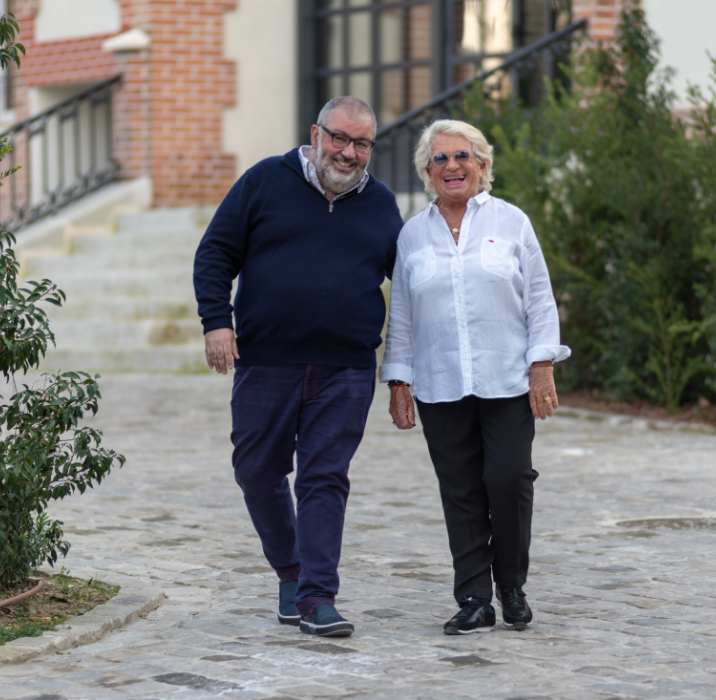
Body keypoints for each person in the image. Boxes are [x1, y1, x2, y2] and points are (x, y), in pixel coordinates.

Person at [193, 97, 402, 638]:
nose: (349, 152)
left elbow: (406, 288)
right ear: (316, 133)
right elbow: (215, 254)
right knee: (257, 471)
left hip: (346, 369)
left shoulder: (380, 204)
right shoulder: (265, 181)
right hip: (266, 360)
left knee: (323, 478)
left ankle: (316, 596)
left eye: (361, 144)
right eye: (340, 138)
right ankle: (290, 571)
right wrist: (218, 323)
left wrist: (401, 370)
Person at [379, 119, 570, 635]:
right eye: (439, 159)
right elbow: (402, 315)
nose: (451, 167)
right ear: (426, 171)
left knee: (508, 479)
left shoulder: (512, 222)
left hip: (507, 379)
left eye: (462, 156)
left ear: (482, 165)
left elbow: (538, 299)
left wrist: (542, 365)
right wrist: (399, 380)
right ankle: (474, 599)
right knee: (460, 490)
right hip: (441, 382)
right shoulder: (412, 234)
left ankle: (511, 584)